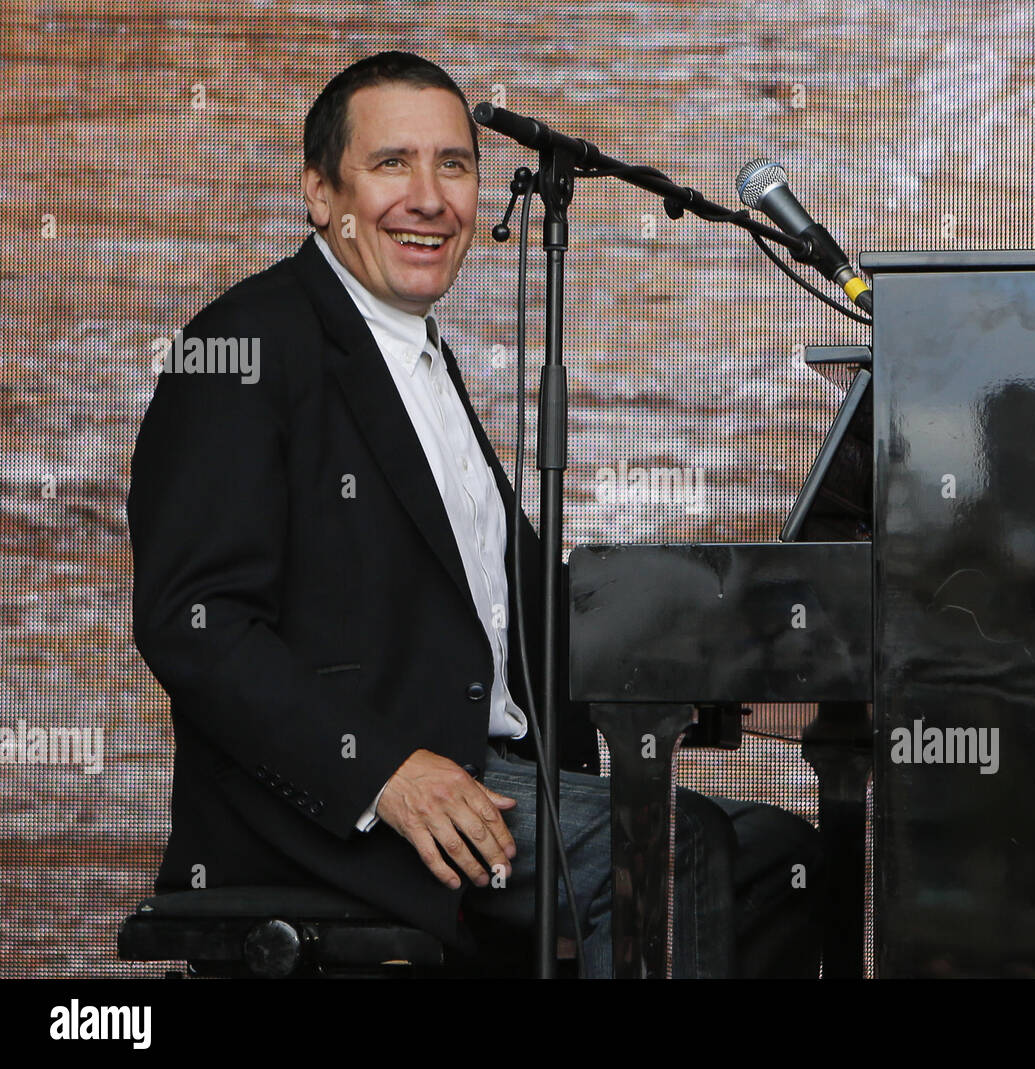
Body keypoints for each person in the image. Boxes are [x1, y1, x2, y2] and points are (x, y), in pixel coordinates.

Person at [128, 50, 822, 977]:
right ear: (318, 192)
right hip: (340, 809)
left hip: (489, 778)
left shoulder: (420, 361)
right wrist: (383, 771)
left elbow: (525, 623)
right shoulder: (245, 343)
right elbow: (194, 624)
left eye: (453, 165)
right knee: (677, 838)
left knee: (781, 854)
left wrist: (734, 683)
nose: (429, 196)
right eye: (392, 164)